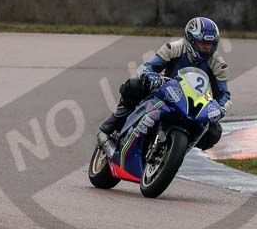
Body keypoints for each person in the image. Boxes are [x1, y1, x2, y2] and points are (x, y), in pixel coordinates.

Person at [99, 17, 231, 151]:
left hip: (194, 103)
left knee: (214, 131)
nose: (206, 48)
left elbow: (224, 94)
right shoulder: (173, 48)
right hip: (166, 91)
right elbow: (148, 67)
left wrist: (220, 109)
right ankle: (114, 124)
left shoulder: (219, 65)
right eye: (202, 43)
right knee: (134, 86)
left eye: (210, 44)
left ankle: (177, 149)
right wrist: (149, 76)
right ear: (191, 40)